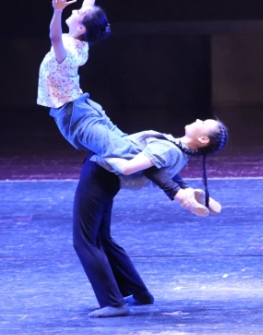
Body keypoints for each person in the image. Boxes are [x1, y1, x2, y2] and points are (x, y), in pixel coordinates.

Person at [36, 0, 210, 215]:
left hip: (74, 115)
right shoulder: (80, 41)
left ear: (81, 28)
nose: (76, 10)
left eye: (78, 14)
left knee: (128, 151)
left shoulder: (68, 51)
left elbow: (54, 36)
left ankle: (180, 193)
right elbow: (87, 10)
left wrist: (58, 11)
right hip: (82, 107)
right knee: (132, 148)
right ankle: (184, 190)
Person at [74, 118, 228, 318]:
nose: (198, 119)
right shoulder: (178, 149)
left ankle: (114, 303)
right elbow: (158, 170)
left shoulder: (169, 149)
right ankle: (138, 292)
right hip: (103, 177)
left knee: (84, 241)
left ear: (203, 139)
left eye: (204, 122)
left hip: (99, 175)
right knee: (102, 238)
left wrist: (104, 152)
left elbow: (131, 167)